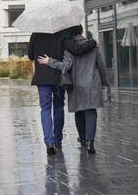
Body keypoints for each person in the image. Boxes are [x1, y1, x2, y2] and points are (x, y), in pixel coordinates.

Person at [38, 25, 109, 154]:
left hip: (77, 85)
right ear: (81, 31)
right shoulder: (93, 45)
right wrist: (104, 82)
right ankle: (90, 142)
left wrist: (49, 61)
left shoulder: (69, 48)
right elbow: (101, 65)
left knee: (79, 110)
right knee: (91, 111)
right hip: (93, 83)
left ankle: (82, 138)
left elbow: (65, 66)